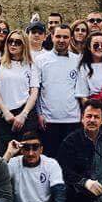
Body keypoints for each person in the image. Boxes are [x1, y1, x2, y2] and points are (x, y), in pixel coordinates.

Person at [2, 130, 67, 202]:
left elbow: (59, 195)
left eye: (35, 148)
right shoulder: (13, 163)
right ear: (21, 150)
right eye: (26, 148)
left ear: (41, 149)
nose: (31, 153)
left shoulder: (51, 164)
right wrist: (8, 153)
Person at [35, 24, 82, 157]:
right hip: (48, 121)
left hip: (72, 120)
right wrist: (39, 114)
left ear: (71, 38)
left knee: (71, 160)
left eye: (65, 37)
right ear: (52, 37)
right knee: (50, 159)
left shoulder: (78, 60)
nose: (61, 40)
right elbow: (36, 91)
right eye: (58, 36)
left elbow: (81, 90)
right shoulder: (41, 60)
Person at [0, 30, 40, 154]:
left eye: (17, 42)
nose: (13, 44)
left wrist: (24, 114)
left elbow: (34, 92)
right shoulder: (0, 62)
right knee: (3, 154)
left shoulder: (31, 65)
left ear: (24, 45)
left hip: (24, 115)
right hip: (3, 116)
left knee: (26, 154)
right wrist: (5, 112)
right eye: (10, 41)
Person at [75, 31, 102, 107]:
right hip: (95, 111)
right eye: (96, 45)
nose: (100, 47)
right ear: (89, 47)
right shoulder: (84, 67)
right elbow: (83, 97)